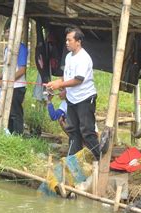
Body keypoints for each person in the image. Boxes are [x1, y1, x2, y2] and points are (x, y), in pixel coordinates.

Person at [45, 27, 99, 159]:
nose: (67, 43)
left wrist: (60, 84)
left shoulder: (84, 58)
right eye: (66, 40)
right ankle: (72, 160)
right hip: (72, 100)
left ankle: (100, 158)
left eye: (69, 40)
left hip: (85, 98)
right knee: (73, 131)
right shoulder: (69, 56)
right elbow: (67, 77)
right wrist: (56, 83)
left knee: (87, 132)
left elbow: (78, 80)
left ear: (78, 41)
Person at [0, 25, 28, 134]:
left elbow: (21, 70)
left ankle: (18, 136)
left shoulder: (20, 48)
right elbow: (6, 70)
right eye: (6, 31)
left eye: (9, 31)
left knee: (16, 113)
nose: (7, 34)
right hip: (8, 85)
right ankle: (10, 134)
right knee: (8, 113)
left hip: (17, 87)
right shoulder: (7, 48)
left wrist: (4, 82)